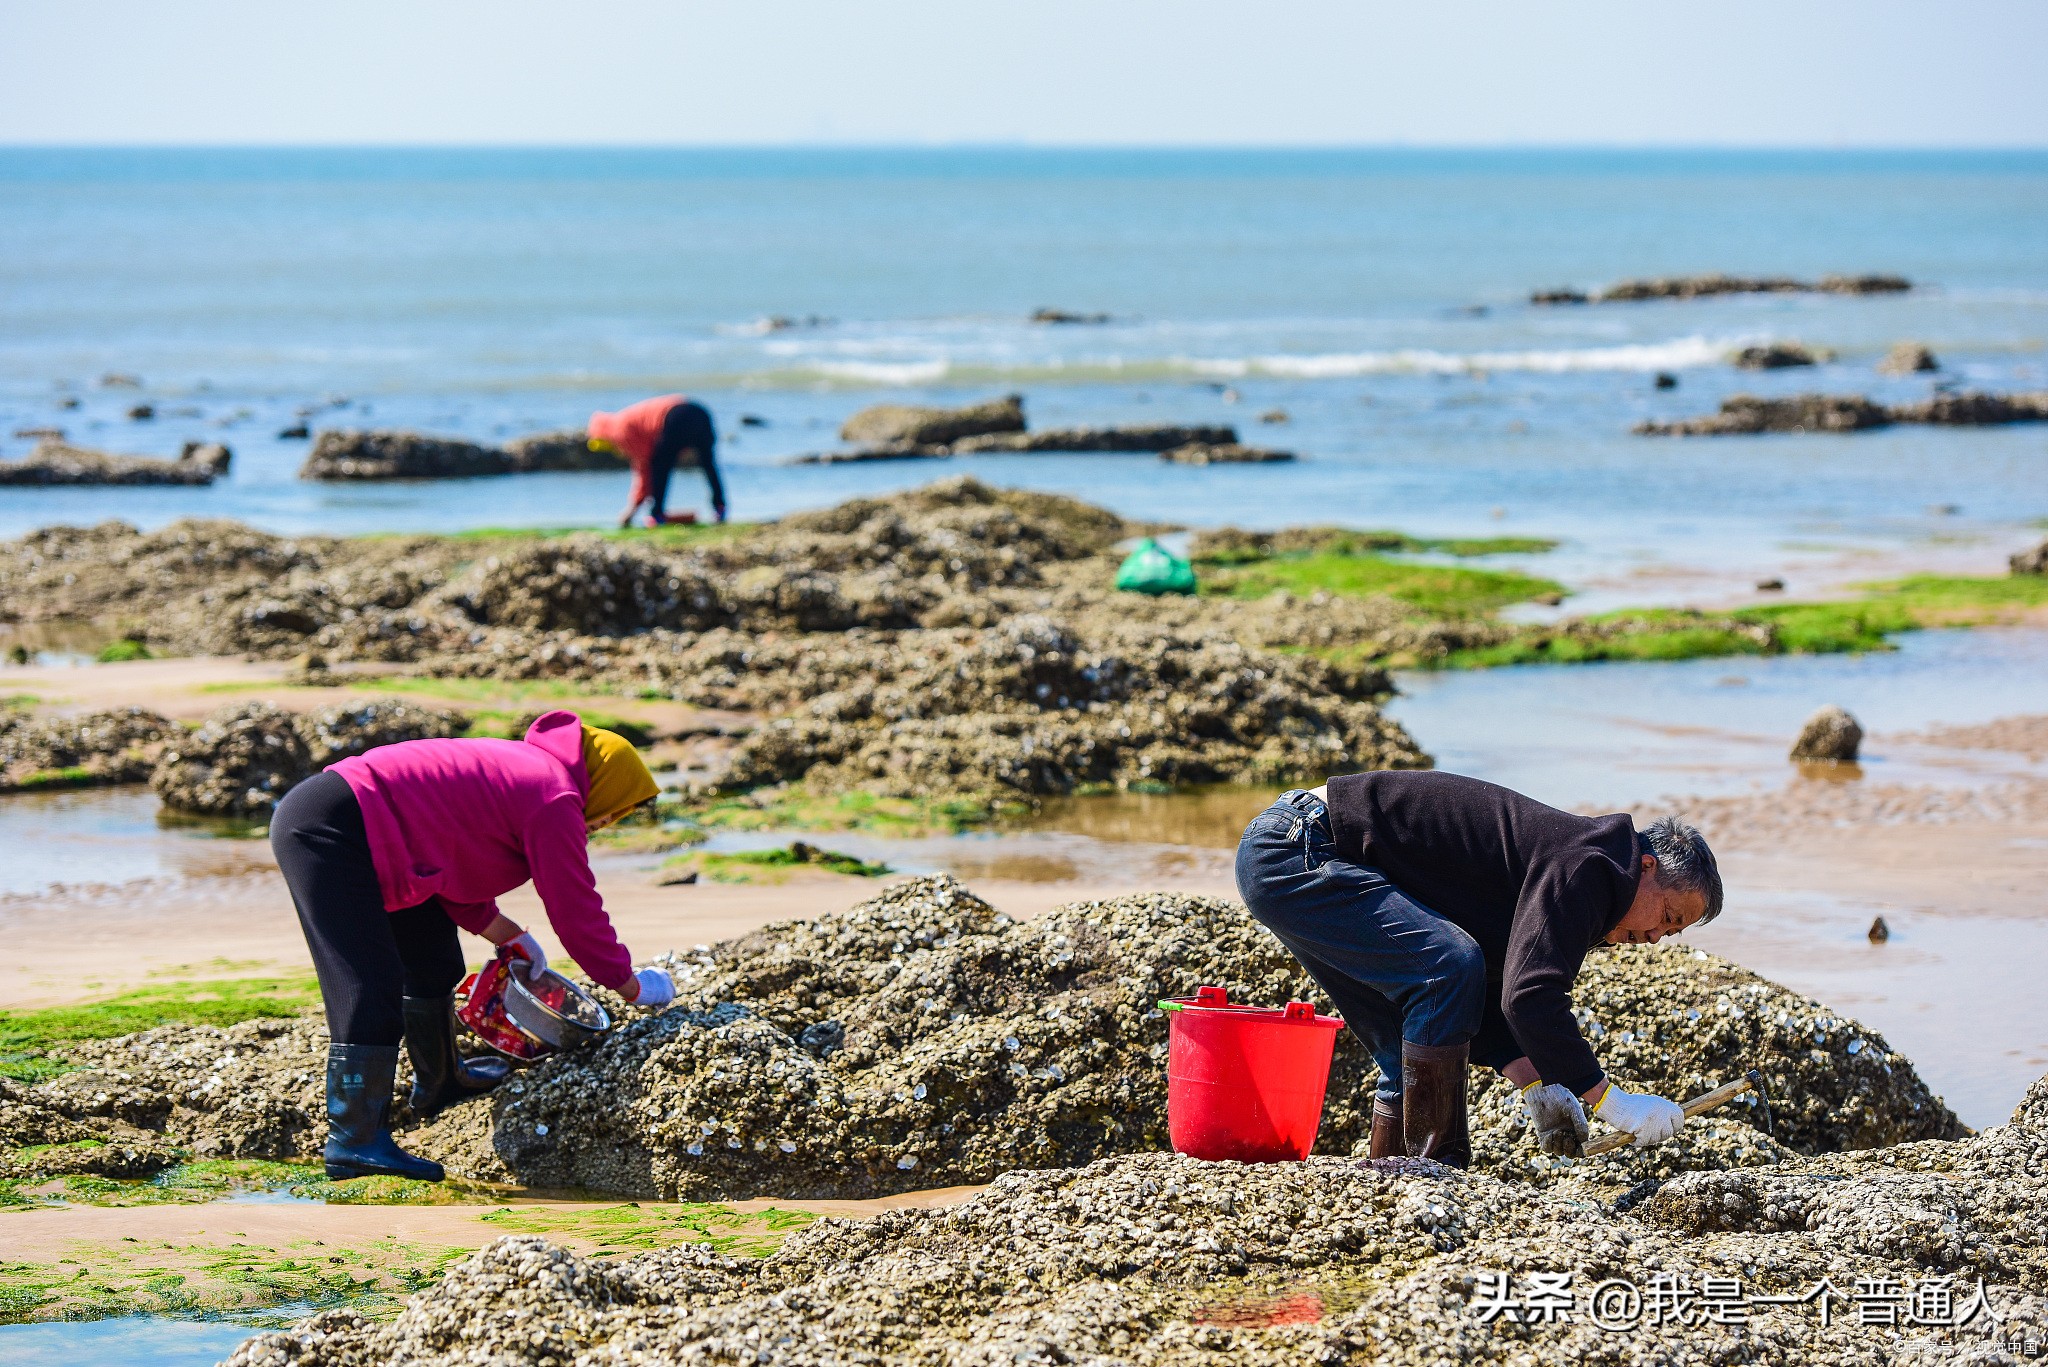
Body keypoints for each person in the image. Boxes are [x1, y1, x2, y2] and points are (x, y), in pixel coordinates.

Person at [1234, 770, 1723, 1168]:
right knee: (1446, 964)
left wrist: (1536, 1081)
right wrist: (1611, 1101)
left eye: (1672, 933)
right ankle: (1436, 1173)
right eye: (1668, 916)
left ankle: (1388, 1190)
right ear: (1647, 866)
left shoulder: (1589, 874)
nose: (1657, 937)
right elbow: (1531, 996)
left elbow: (1493, 992)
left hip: (1300, 855)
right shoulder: (1589, 866)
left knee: (1408, 1034)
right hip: (1299, 846)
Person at [269, 709, 678, 1182]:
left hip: (376, 831)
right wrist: (629, 984)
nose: (607, 821)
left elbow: (452, 857)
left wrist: (508, 934)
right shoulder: (555, 795)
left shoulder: (529, 774)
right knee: (369, 983)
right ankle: (354, 1141)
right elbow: (574, 907)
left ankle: (439, 1082)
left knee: (433, 962)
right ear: (603, 783)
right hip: (329, 828)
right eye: (616, 809)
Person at [587, 395, 727, 529]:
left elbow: (645, 466)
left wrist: (632, 509)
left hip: (675, 416)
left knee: (660, 465)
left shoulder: (620, 430)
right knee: (708, 463)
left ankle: (656, 514)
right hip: (699, 411)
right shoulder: (623, 418)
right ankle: (720, 507)